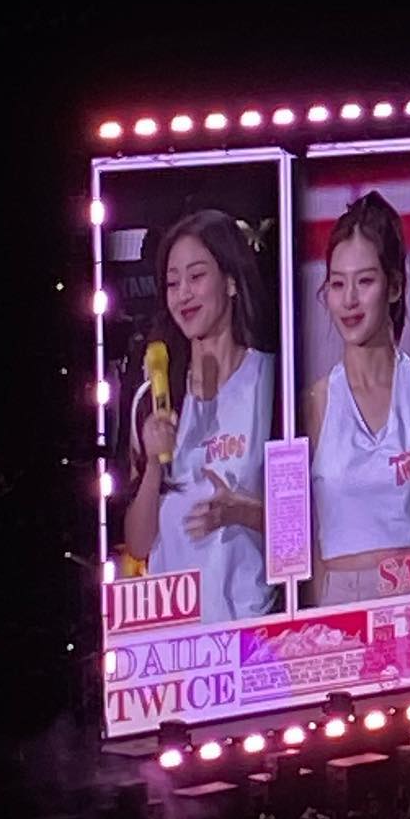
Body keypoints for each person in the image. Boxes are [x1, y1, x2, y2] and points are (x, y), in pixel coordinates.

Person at [304, 192, 410, 605]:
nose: (349, 299)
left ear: (394, 287)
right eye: (337, 283)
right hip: (340, 600)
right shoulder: (314, 404)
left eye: (365, 281)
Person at [125, 209, 276, 624]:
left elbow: (304, 528)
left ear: (230, 281)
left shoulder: (272, 384)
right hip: (174, 637)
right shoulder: (153, 399)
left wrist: (240, 512)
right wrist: (153, 464)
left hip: (251, 627)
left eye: (196, 277)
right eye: (173, 283)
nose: (183, 295)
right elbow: (138, 544)